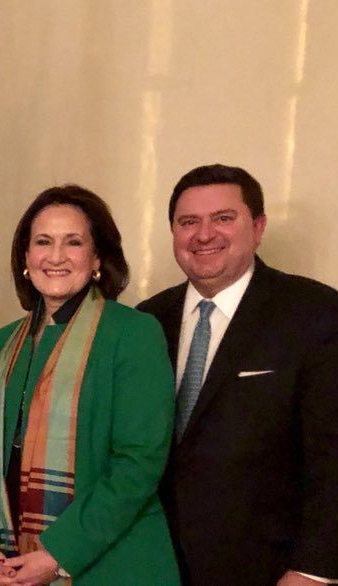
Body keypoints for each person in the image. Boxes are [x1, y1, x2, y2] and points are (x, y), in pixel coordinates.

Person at [0, 185, 180, 585]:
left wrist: (58, 554)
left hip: (113, 564)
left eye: (73, 242)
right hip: (9, 566)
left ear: (96, 258)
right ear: (26, 258)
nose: (56, 257)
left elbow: (138, 463)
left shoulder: (133, 333)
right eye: (43, 242)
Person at [137, 164, 338, 585]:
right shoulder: (146, 322)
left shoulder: (315, 313)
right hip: (154, 565)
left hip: (269, 571)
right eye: (188, 222)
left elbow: (331, 457)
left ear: (258, 227)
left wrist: (313, 571)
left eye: (223, 218)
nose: (204, 234)